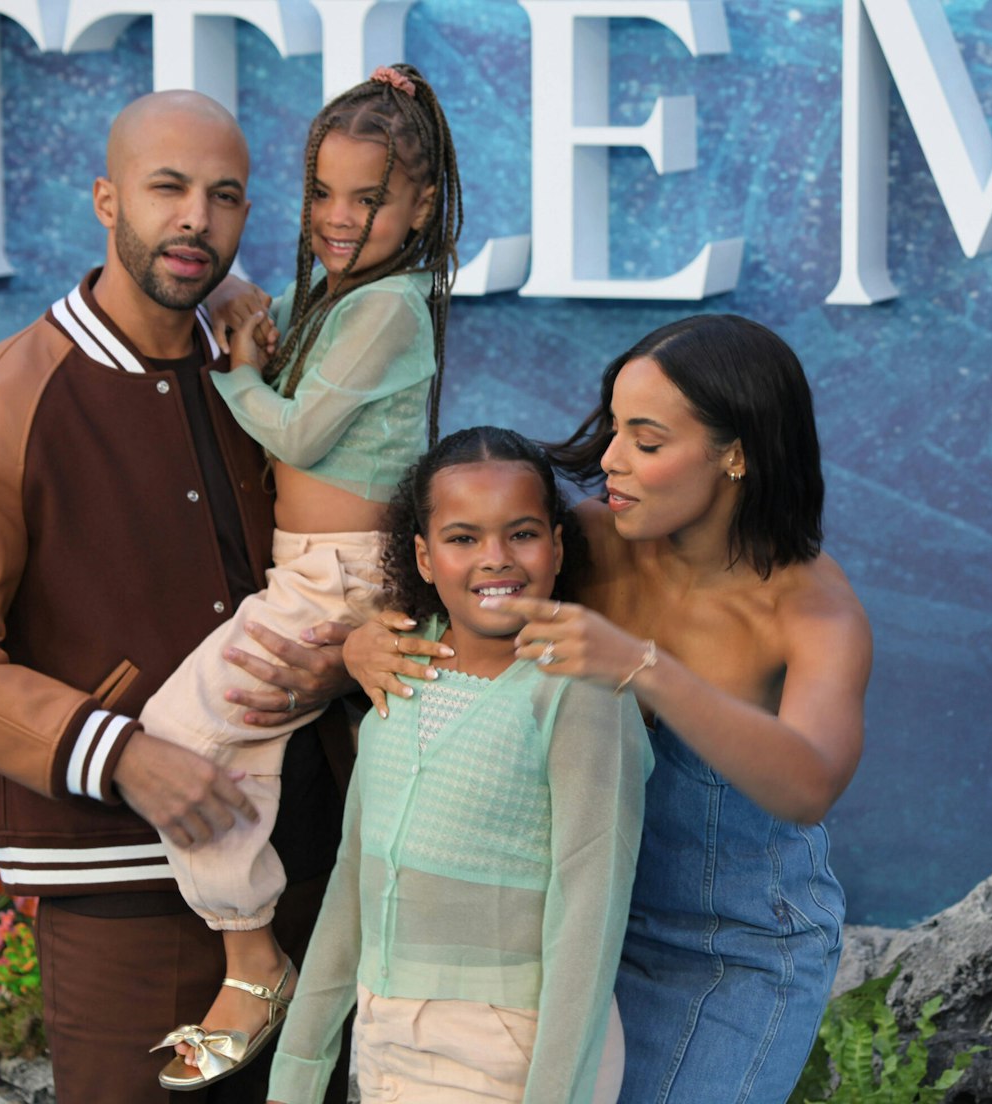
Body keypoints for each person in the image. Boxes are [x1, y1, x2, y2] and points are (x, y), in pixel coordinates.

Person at [0, 90, 356, 1104]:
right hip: (128, 897)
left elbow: (332, 557)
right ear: (106, 199)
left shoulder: (261, 376)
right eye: (167, 188)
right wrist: (126, 754)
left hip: (312, 864)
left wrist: (340, 656)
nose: (197, 220)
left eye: (225, 197)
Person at [344, 315, 873, 1103]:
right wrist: (360, 643)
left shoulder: (816, 613)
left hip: (738, 953)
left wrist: (645, 669)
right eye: (613, 428)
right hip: (580, 934)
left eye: (647, 442)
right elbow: (450, 588)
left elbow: (811, 785)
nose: (609, 461)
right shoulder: (583, 541)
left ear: (737, 454)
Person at [139, 64, 462, 1092]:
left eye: (367, 199)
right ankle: (273, 960)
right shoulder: (336, 293)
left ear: (422, 204)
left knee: (182, 734)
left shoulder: (393, 309)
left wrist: (230, 368)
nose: (337, 218)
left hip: (343, 579)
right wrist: (238, 301)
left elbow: (300, 428)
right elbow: (255, 309)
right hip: (305, 570)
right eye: (321, 192)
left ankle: (252, 955)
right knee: (237, 742)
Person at [264, 426, 652, 1104]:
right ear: (422, 555)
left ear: (557, 547)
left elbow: (589, 913)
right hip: (384, 1042)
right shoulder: (399, 670)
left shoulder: (581, 691)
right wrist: (296, 1072)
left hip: (513, 1052)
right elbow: (355, 876)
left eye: (523, 534)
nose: (495, 560)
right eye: (463, 538)